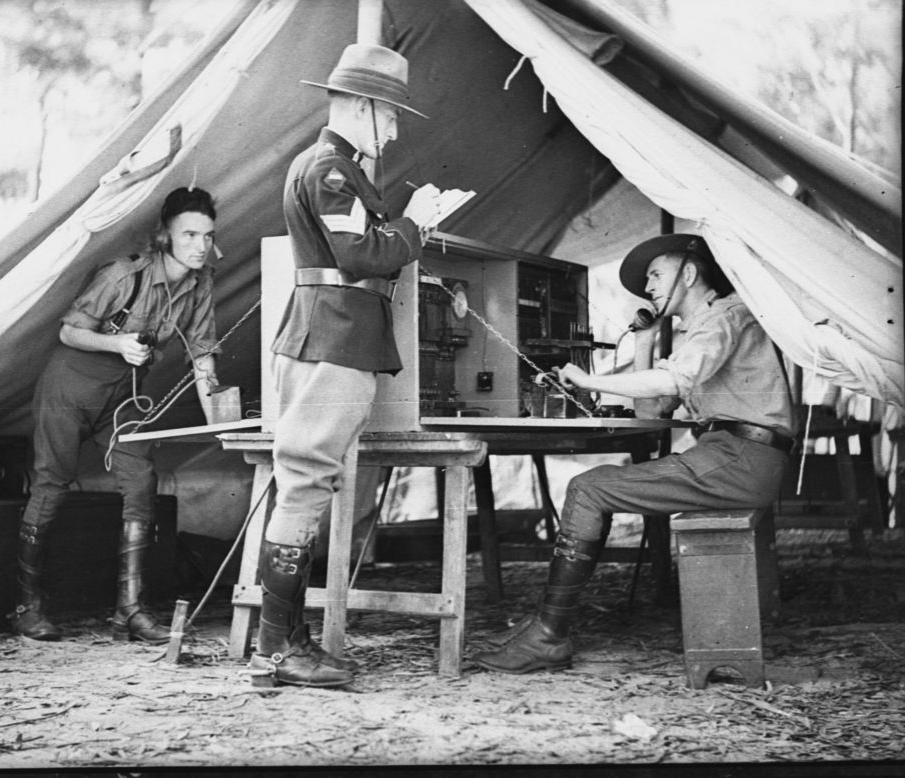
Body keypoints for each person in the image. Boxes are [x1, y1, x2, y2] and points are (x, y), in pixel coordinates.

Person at [474, 233, 796, 674]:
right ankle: (544, 629)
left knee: (588, 489)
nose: (649, 288)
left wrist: (590, 382)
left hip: (741, 458)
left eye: (656, 275)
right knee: (592, 486)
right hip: (731, 456)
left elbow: (671, 382)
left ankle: (549, 635)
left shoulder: (728, 317)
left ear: (688, 273)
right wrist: (645, 342)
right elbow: (651, 410)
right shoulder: (698, 333)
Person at [247, 43, 442, 688]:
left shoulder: (337, 166)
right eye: (389, 116)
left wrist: (406, 212)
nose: (393, 129)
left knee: (306, 485)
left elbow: (358, 240)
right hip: (332, 342)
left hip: (334, 340)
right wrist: (415, 226)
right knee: (304, 485)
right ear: (362, 105)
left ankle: (285, 644)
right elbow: (358, 253)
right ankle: (278, 652)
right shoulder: (331, 168)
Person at [10, 186, 224, 644]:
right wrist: (117, 343)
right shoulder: (123, 275)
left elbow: (203, 357)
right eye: (189, 234)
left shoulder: (200, 283)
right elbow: (69, 332)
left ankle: (129, 610)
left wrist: (221, 422)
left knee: (140, 477)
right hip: (69, 386)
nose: (200, 246)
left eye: (207, 236)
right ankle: (27, 607)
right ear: (165, 236)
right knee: (52, 482)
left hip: (123, 398)